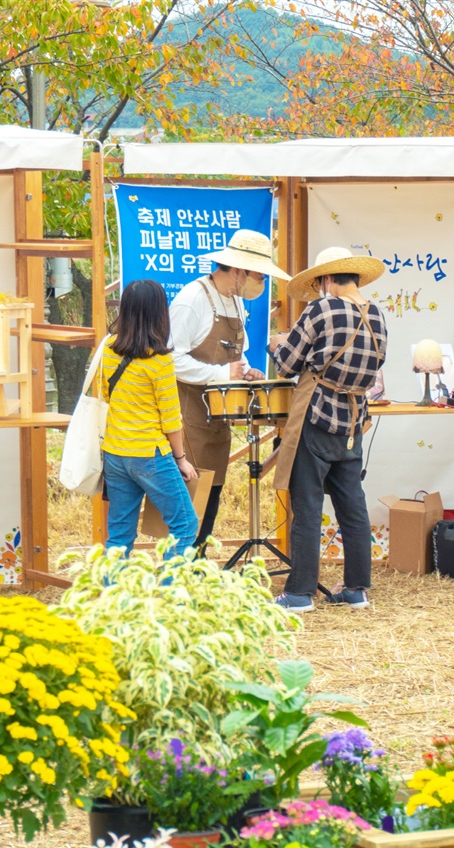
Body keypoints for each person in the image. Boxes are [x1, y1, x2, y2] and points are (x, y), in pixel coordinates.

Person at [267, 247, 388, 612]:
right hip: (352, 422)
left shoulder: (322, 309)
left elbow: (287, 364)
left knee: (306, 506)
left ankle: (300, 593)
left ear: (326, 280)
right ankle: (356, 588)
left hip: (317, 416)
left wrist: (276, 343)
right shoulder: (378, 316)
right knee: (352, 506)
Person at [169, 229, 290, 552]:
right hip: (188, 417)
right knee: (191, 498)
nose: (261, 282)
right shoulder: (191, 299)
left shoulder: (235, 301)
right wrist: (222, 372)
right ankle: (180, 572)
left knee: (213, 495)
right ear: (237, 269)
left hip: (219, 420)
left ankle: (196, 565)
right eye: (258, 275)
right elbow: (170, 359)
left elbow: (239, 352)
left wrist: (246, 370)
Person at [101, 279, 199, 560]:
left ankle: (114, 599)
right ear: (160, 314)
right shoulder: (160, 361)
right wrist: (180, 459)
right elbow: (171, 420)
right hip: (150, 455)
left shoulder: (108, 348)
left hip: (115, 452)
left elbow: (106, 396)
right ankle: (171, 600)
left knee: (119, 533)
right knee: (184, 525)